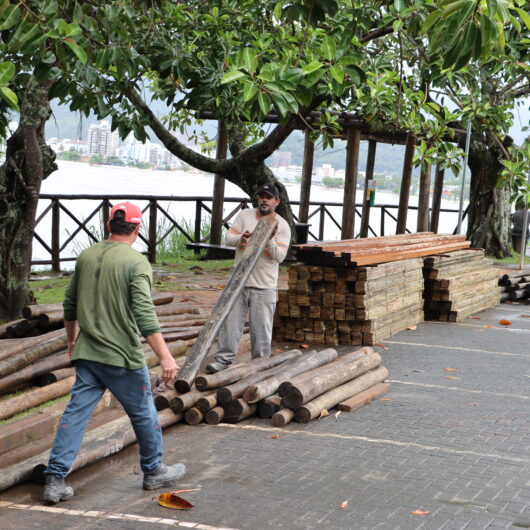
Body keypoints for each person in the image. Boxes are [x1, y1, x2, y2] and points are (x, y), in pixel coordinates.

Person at [43, 202, 185, 505]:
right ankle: (154, 470)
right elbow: (144, 314)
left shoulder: (87, 255)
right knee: (143, 411)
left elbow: (69, 306)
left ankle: (54, 479)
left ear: (109, 225)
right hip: (121, 356)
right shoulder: (135, 262)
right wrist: (166, 357)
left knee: (76, 414)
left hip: (88, 353)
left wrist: (72, 341)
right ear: (137, 228)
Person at [207, 183, 291, 373]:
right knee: (230, 326)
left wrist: (268, 238)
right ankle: (222, 360)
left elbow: (280, 257)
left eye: (268, 197)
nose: (264, 200)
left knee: (261, 330)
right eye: (261, 196)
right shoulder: (244, 216)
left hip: (265, 286)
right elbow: (228, 239)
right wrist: (241, 239)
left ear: (276, 201)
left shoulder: (283, 226)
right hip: (239, 282)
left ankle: (259, 365)